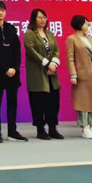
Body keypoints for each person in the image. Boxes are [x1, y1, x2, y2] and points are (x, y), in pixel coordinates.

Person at [0, 1, 27, 143]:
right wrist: (5, 68)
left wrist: (14, 67)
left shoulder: (11, 28)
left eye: (2, 10)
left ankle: (12, 131)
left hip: (13, 72)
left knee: (12, 103)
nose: (0, 12)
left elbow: (17, 50)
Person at [23, 9, 64, 140]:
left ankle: (52, 128)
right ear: (33, 19)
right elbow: (31, 51)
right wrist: (47, 64)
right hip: (37, 73)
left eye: (44, 17)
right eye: (40, 17)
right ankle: (40, 129)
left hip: (51, 74)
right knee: (38, 102)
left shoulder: (49, 33)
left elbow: (56, 50)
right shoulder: (29, 33)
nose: (43, 20)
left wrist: (54, 63)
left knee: (53, 101)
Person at [66, 15, 92, 139]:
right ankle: (85, 127)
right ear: (79, 24)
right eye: (86, 23)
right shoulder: (71, 39)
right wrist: (73, 74)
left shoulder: (90, 39)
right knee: (82, 102)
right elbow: (70, 58)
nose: (88, 25)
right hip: (81, 75)